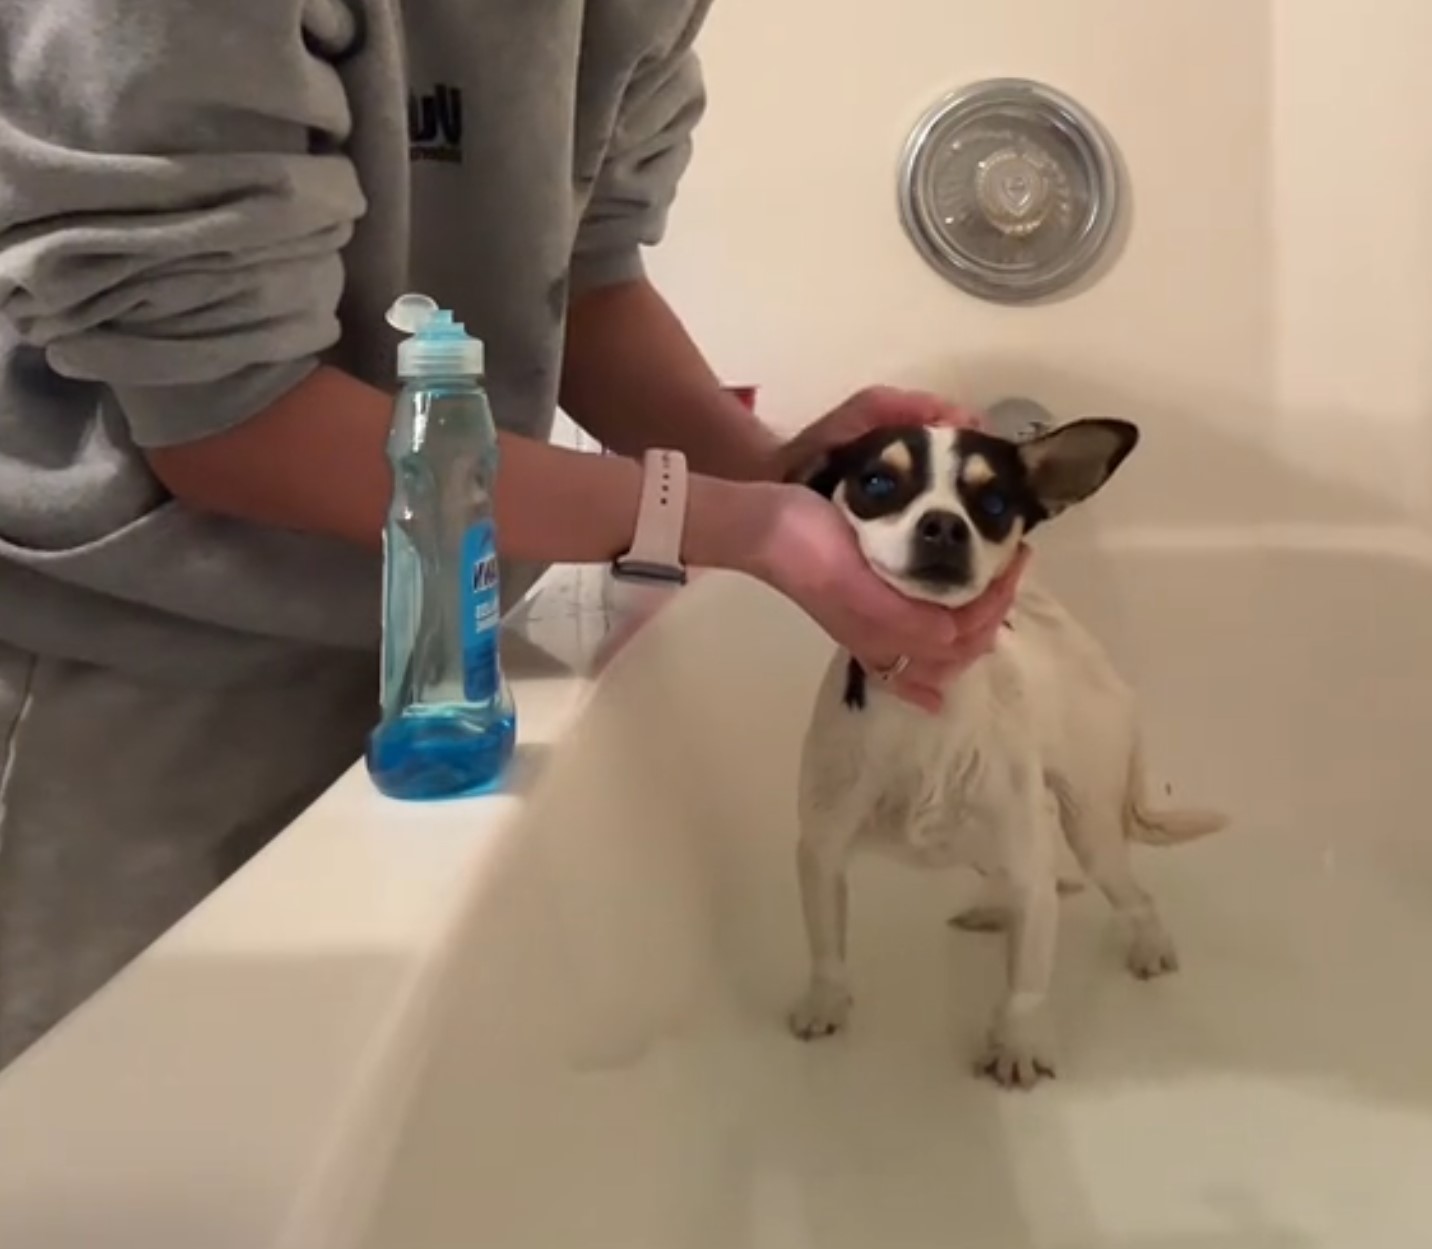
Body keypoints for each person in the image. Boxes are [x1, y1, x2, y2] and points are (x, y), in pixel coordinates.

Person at [0, 1, 1023, 1066]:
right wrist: (727, 521)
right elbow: (226, 415)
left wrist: (767, 473)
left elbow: (582, 268)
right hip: (132, 671)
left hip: (432, 655)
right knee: (115, 1138)